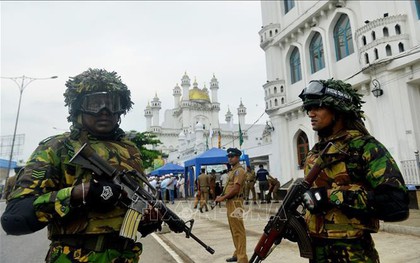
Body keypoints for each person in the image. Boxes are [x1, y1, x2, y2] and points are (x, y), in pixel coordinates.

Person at [1, 68, 184, 263]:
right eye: (95, 103)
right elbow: (15, 219)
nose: (104, 111)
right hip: (72, 257)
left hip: (125, 257)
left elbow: (134, 210)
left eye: (112, 104)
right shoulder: (56, 148)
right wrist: (80, 193)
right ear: (78, 107)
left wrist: (148, 220)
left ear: (121, 109)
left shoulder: (130, 151)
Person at [299, 79, 409, 262]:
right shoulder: (316, 152)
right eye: (309, 108)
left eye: (318, 107)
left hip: (353, 254)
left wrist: (329, 196)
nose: (311, 113)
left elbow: (396, 204)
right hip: (317, 252)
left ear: (338, 110)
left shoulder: (365, 147)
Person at [215, 148, 248, 263]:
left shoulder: (239, 171)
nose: (230, 158)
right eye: (228, 156)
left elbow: (236, 188)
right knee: (234, 230)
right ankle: (237, 253)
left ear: (238, 157)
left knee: (238, 230)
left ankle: (242, 258)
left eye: (232, 156)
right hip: (231, 202)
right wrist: (222, 196)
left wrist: (222, 198)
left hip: (236, 202)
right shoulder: (233, 170)